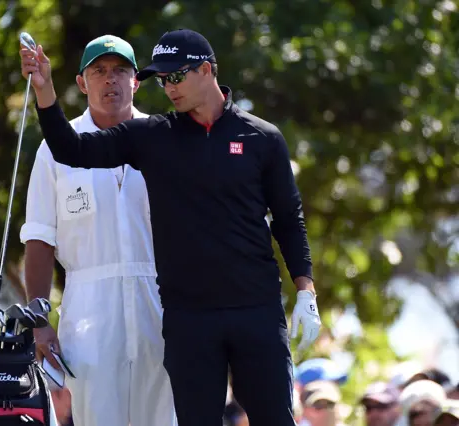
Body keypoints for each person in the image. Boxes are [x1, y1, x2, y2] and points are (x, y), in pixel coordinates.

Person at [22, 28, 321, 425]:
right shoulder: (156, 135)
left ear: (208, 70)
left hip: (256, 309)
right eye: (162, 80)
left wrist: (306, 291)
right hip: (186, 316)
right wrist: (45, 92)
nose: (169, 88)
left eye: (176, 76)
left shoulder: (262, 137)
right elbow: (72, 149)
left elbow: (288, 218)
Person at [19, 34, 176, 426]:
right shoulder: (56, 148)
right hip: (88, 312)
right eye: (99, 71)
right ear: (81, 82)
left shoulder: (166, 138)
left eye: (121, 70)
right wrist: (40, 326)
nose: (111, 80)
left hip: (162, 306)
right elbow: (39, 237)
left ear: (137, 80)